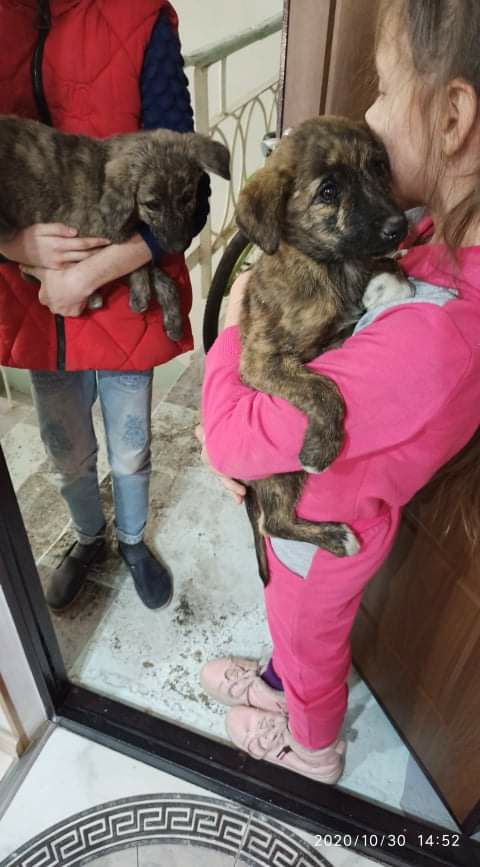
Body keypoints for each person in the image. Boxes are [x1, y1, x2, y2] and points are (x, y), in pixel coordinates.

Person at [198, 0, 480, 783]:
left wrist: (231, 334)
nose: (370, 114)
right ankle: (280, 680)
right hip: (325, 501)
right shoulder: (436, 241)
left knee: (308, 642)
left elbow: (230, 438)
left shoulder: (437, 337)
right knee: (295, 632)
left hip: (320, 529)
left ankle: (311, 744)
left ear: (454, 115)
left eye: (383, 89)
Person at [0, 0, 210, 612]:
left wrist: (89, 273)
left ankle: (133, 539)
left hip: (121, 281)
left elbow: (190, 195)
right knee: (63, 444)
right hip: (34, 294)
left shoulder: (139, 18)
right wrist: (12, 245)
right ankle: (88, 536)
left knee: (131, 441)